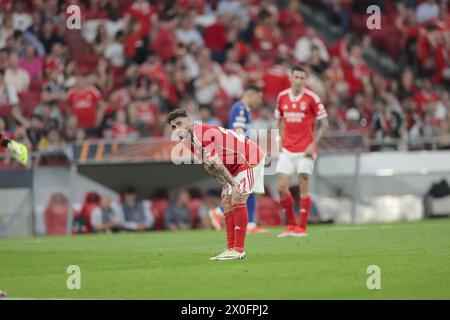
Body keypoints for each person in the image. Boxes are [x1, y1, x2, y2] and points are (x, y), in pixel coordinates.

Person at [167, 108, 265, 260]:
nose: (177, 129)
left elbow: (217, 164)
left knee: (237, 198)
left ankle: (239, 250)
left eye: (180, 123)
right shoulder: (188, 141)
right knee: (226, 200)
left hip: (248, 158)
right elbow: (209, 166)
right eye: (173, 127)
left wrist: (232, 184)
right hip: (233, 166)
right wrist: (225, 185)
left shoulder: (201, 134)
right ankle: (230, 248)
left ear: (189, 121)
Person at [275, 65, 329, 238]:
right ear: (290, 78)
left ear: (304, 80)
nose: (299, 81)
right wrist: (278, 139)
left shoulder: (312, 98)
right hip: (288, 149)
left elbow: (324, 123)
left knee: (303, 186)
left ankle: (302, 227)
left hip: (306, 149)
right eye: (296, 77)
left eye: (301, 78)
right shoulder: (282, 97)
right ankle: (291, 224)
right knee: (281, 187)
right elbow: (279, 120)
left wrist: (313, 144)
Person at [227, 85, 267, 233]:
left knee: (246, 189)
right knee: (245, 188)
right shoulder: (241, 108)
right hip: (241, 154)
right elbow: (238, 131)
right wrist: (244, 153)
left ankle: (248, 223)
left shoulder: (243, 109)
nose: (259, 101)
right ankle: (246, 222)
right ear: (251, 95)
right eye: (258, 97)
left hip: (241, 153)